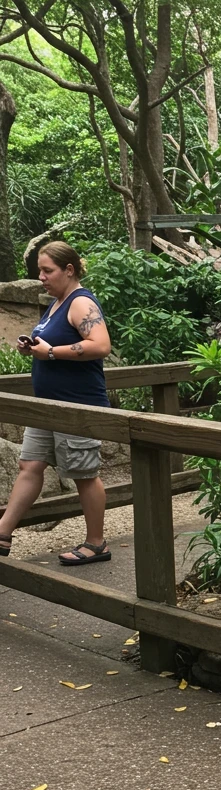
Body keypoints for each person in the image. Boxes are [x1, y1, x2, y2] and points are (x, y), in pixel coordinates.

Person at [0, 241, 113, 564]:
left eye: (47, 270)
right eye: (40, 271)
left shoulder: (80, 302)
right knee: (30, 465)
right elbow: (57, 343)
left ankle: (96, 543)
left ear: (69, 270)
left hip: (76, 405)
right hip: (47, 405)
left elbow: (100, 345)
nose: (41, 277)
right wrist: (35, 347)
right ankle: (3, 533)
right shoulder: (56, 304)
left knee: (84, 473)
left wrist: (49, 352)